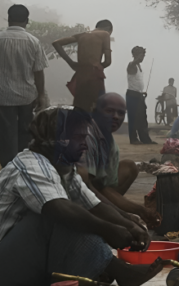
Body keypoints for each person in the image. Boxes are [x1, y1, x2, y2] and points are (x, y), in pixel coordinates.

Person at [0, 107, 162, 286]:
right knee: (58, 217)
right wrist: (108, 230)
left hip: (28, 258)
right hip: (5, 264)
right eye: (79, 139)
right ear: (57, 141)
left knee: (80, 216)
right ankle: (119, 271)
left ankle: (104, 269)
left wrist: (130, 225)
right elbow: (58, 209)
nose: (85, 145)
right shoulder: (30, 166)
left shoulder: (65, 168)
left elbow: (94, 205)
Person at [77, 93, 161, 228]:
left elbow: (104, 187)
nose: (116, 116)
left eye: (121, 113)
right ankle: (104, 214)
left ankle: (110, 210)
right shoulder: (87, 137)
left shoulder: (109, 142)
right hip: (76, 193)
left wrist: (138, 211)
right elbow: (88, 187)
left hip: (95, 187)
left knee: (129, 167)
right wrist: (126, 215)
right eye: (109, 111)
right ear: (96, 111)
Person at [0, 4, 48, 166]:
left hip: (3, 97)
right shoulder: (33, 42)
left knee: (6, 134)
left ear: (8, 18)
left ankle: (8, 168)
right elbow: (38, 71)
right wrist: (41, 95)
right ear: (27, 20)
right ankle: (23, 167)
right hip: (27, 96)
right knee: (26, 133)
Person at [52, 19, 113, 112]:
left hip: (80, 74)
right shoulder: (105, 34)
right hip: (94, 75)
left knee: (80, 106)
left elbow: (56, 43)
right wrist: (99, 67)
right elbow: (108, 61)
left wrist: (71, 63)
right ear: (109, 29)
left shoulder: (82, 35)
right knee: (97, 107)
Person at [125, 46, 155, 144]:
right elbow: (131, 65)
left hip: (138, 94)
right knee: (133, 118)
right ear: (136, 55)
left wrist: (142, 92)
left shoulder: (138, 66)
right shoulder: (132, 65)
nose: (143, 57)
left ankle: (145, 139)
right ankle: (133, 139)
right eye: (142, 55)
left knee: (142, 118)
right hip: (132, 94)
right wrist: (136, 59)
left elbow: (136, 81)